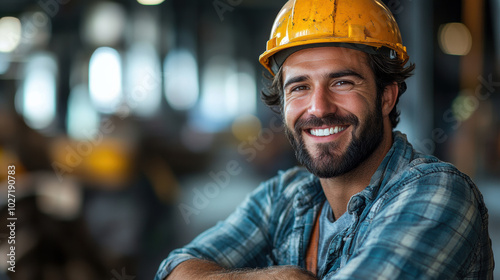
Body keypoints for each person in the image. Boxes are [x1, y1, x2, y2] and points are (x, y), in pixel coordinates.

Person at [155, 0, 495, 279]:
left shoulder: (438, 192)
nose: (318, 108)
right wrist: (272, 277)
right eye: (300, 87)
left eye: (342, 82)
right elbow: (174, 270)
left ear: (386, 97)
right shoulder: (284, 196)